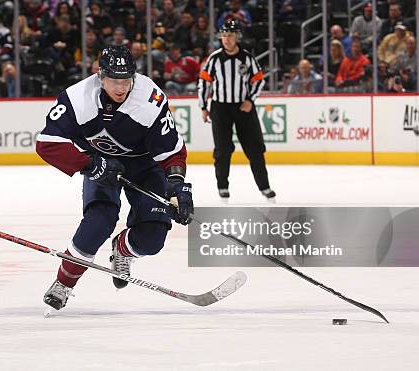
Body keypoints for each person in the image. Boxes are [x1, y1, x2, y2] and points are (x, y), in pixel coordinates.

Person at [36, 45, 193, 312]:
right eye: (114, 80)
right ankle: (63, 284)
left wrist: (178, 185)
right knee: (98, 222)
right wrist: (89, 164)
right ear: (100, 77)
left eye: (126, 80)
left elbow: (172, 153)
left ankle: (123, 249)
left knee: (153, 238)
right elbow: (47, 143)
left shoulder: (150, 99)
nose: (121, 87)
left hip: (144, 164)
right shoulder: (77, 99)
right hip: (100, 162)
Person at [197, 20, 275, 201]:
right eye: (224, 35)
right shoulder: (214, 58)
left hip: (243, 107)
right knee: (222, 150)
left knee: (255, 148)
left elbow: (259, 79)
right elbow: (204, 81)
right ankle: (222, 187)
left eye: (230, 35)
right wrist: (203, 106)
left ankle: (264, 187)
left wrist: (250, 99)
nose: (226, 39)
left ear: (237, 37)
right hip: (220, 108)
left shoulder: (247, 58)